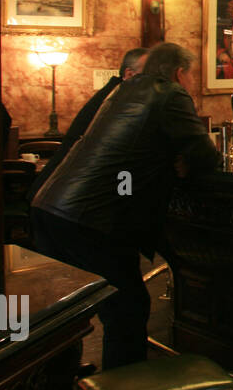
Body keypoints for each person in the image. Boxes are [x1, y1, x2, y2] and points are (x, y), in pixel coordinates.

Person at [30, 43, 219, 370]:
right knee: (127, 308)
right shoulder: (171, 94)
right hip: (93, 220)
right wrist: (186, 163)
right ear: (178, 72)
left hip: (51, 206)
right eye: (189, 75)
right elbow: (205, 155)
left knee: (66, 311)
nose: (189, 82)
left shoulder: (123, 90)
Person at [29, 47, 147, 201]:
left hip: (60, 194)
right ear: (129, 74)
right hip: (61, 195)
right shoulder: (116, 99)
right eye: (151, 74)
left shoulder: (116, 91)